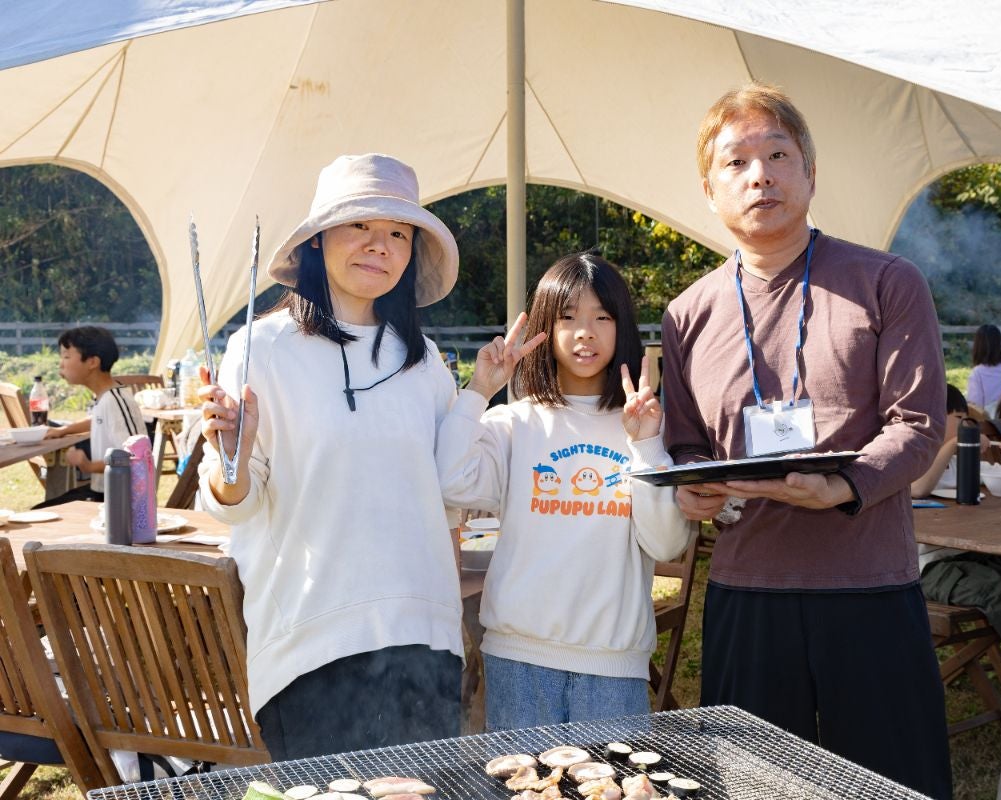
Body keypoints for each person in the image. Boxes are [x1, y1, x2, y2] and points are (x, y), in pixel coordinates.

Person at [661, 81, 952, 798]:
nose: (760, 174)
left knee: (893, 783)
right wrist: (694, 485)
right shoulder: (687, 313)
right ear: (709, 189)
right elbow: (687, 441)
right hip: (748, 588)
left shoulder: (887, 281)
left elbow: (918, 424)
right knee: (755, 785)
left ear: (810, 173)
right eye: (736, 162)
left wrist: (846, 484)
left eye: (778, 154)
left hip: (869, 585)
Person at [196, 153, 463, 759]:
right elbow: (237, 500)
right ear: (317, 240)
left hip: (423, 635)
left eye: (398, 233)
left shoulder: (423, 361)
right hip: (311, 639)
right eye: (360, 227)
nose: (380, 245)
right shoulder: (261, 349)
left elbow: (448, 503)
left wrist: (450, 626)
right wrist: (230, 463)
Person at [437, 252, 690, 731]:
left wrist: (648, 444)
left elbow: (667, 543)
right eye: (569, 317)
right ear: (547, 329)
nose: (585, 332)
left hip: (614, 666)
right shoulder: (514, 422)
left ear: (623, 328)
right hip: (518, 659)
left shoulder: (643, 424)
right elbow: (451, 480)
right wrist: (479, 389)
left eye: (602, 317)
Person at [915, 385, 1001, 657]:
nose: (966, 424)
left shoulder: (958, 464)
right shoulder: (915, 461)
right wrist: (953, 444)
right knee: (996, 593)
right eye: (958, 418)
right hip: (924, 568)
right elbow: (917, 489)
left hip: (966, 557)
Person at [41, 325, 147, 505]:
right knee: (43, 509)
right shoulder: (104, 398)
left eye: (66, 356)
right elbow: (98, 419)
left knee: (42, 513)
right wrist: (64, 430)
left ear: (92, 362)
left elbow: (136, 457)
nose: (61, 364)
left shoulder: (115, 401)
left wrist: (88, 466)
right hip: (102, 492)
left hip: (122, 502)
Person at [966, 324, 1001, 417]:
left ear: (977, 346)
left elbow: (975, 407)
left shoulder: (977, 373)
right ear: (1000, 343)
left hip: (990, 424)